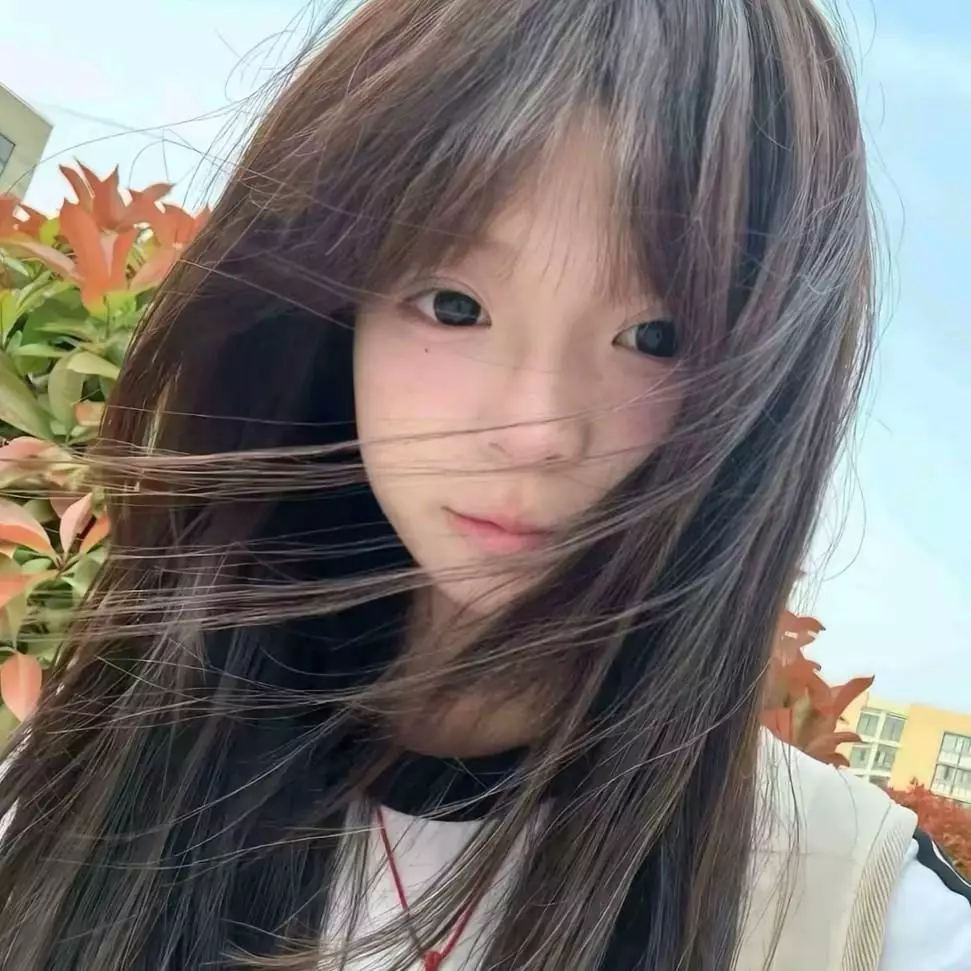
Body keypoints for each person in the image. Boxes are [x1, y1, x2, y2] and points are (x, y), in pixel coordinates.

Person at [0, 0, 968, 968]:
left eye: (655, 336)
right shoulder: (97, 769)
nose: (537, 430)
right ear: (331, 311)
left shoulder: (856, 905)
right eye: (454, 305)